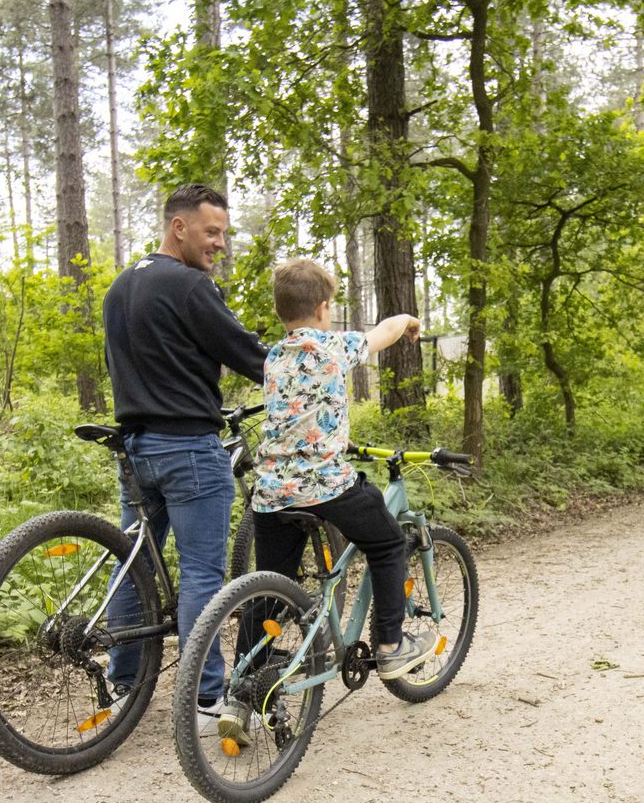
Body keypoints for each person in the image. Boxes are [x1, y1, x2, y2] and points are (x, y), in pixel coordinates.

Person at [219, 259, 429, 743]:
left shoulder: (273, 356)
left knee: (269, 589)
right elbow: (386, 331)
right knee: (387, 544)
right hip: (327, 488)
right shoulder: (333, 346)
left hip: (272, 494)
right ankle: (392, 644)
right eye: (330, 305)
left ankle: (240, 694)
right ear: (322, 308)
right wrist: (409, 320)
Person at [103, 183, 267, 730]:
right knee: (202, 573)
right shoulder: (192, 287)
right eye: (211, 231)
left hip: (136, 448)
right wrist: (301, 369)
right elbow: (248, 355)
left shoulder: (121, 286)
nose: (219, 243)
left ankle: (122, 685)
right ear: (180, 228)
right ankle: (205, 700)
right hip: (189, 447)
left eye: (223, 232)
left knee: (136, 566)